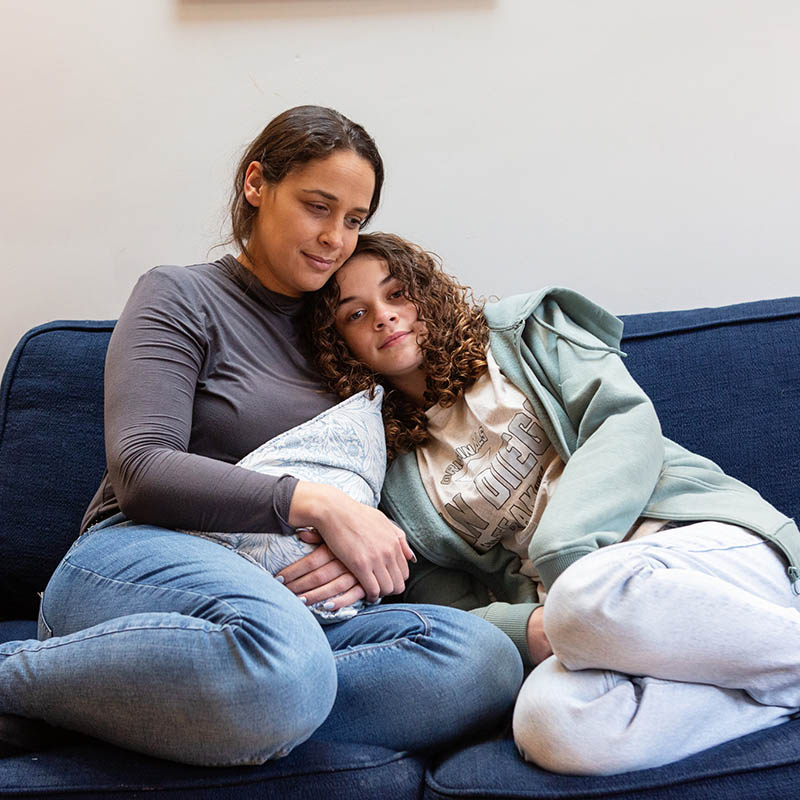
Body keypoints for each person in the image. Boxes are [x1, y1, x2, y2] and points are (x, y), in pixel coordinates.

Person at [0, 108, 523, 765]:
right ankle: (35, 680)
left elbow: (385, 484)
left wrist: (354, 554)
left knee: (483, 662)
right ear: (256, 184)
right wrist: (322, 507)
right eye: (317, 206)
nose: (336, 237)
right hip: (136, 564)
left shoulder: (348, 328)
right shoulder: (181, 295)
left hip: (293, 616)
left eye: (354, 219)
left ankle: (133, 710)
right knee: (284, 672)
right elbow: (140, 469)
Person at [303, 230, 800, 775]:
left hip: (691, 544)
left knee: (582, 597)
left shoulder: (523, 333)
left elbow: (624, 421)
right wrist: (531, 628)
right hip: (593, 625)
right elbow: (446, 608)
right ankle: (776, 678)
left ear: (426, 291)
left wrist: (564, 549)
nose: (383, 316)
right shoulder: (394, 477)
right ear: (339, 342)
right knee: (548, 725)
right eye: (355, 314)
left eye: (397, 293)